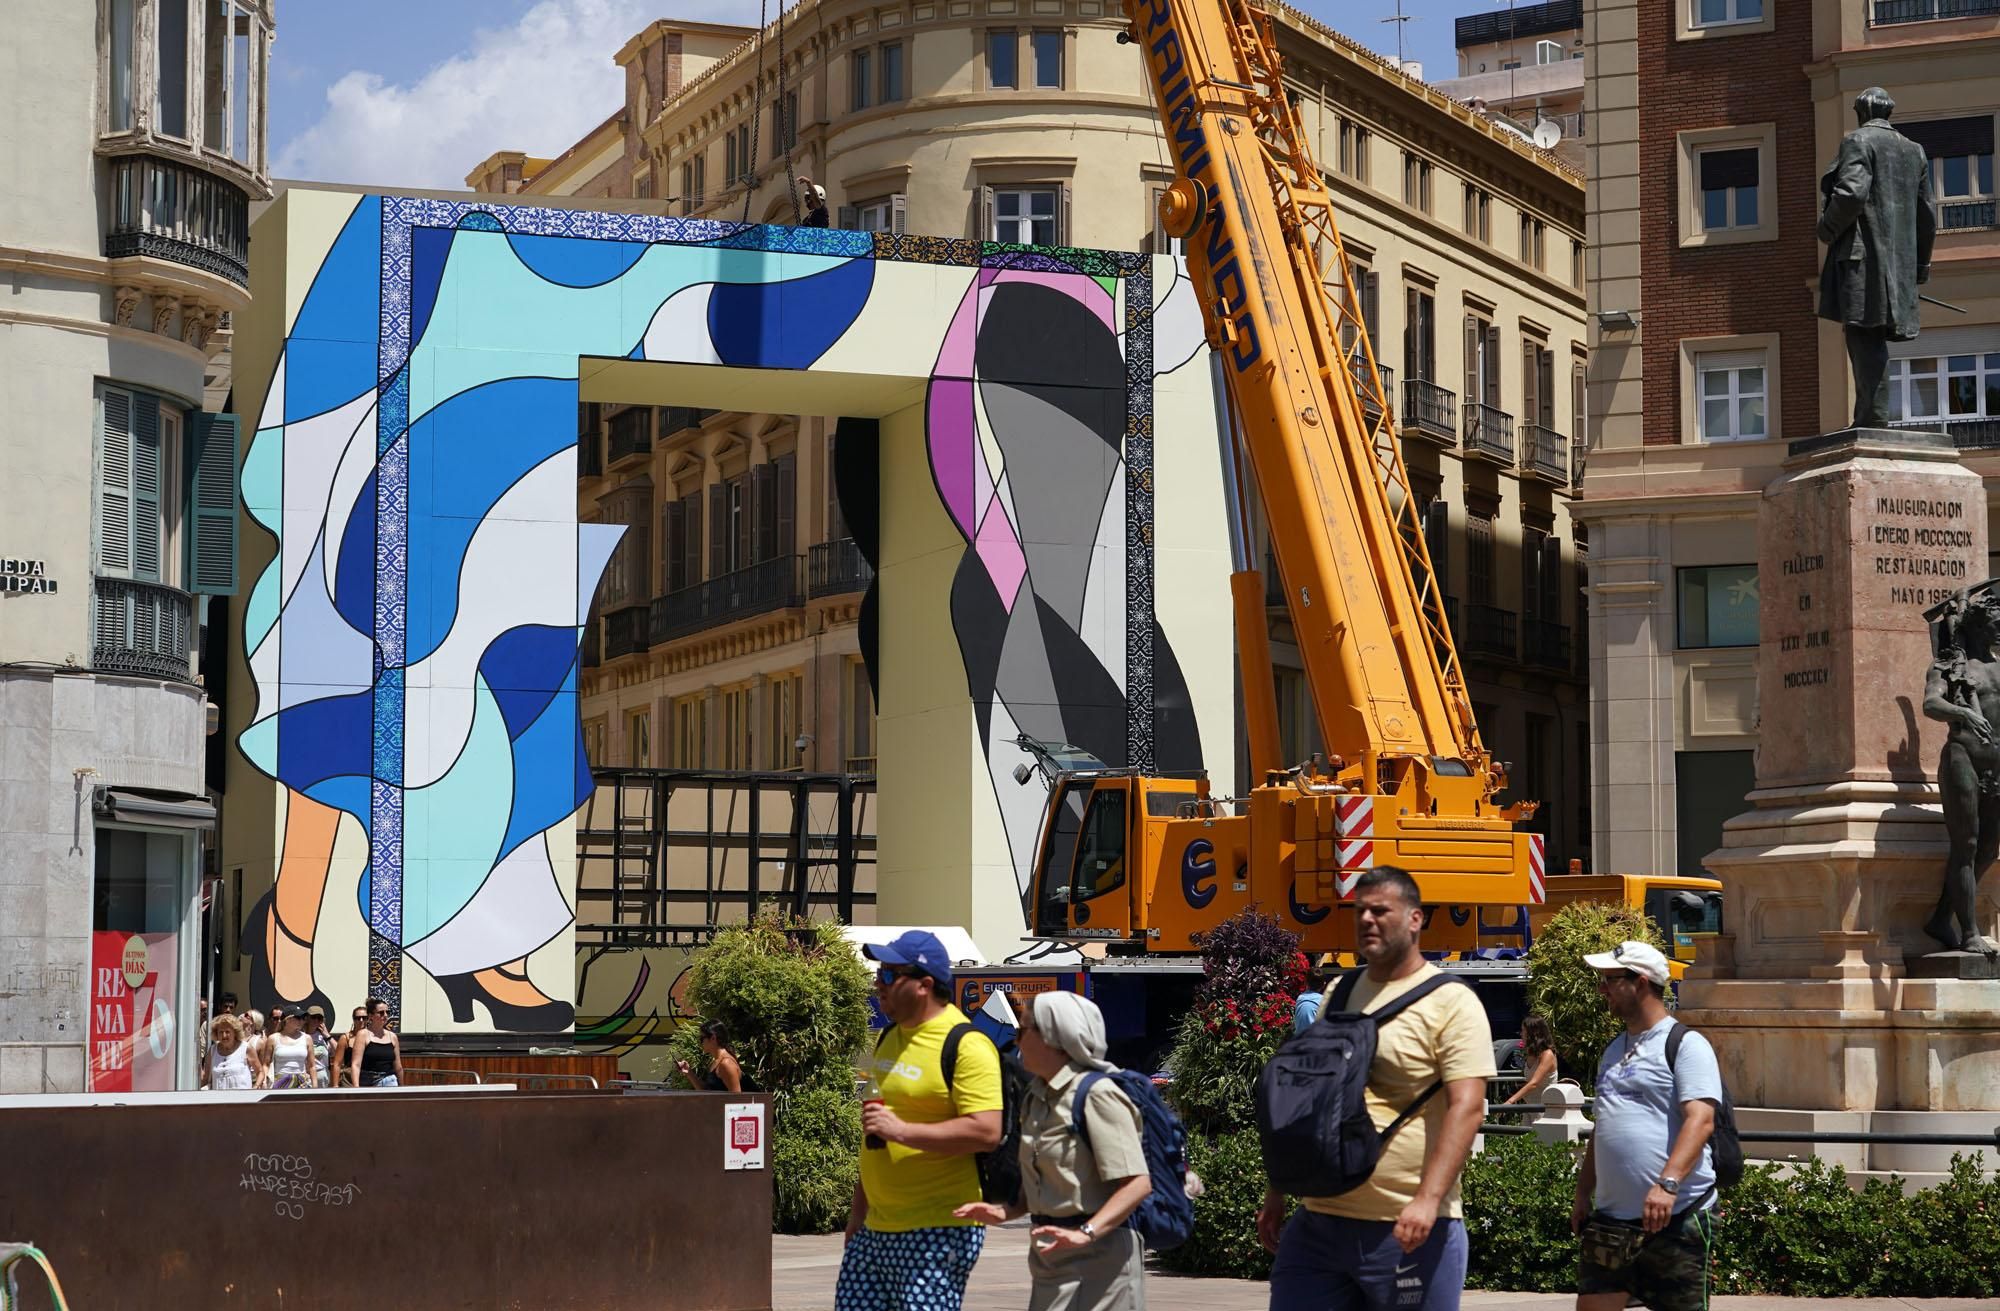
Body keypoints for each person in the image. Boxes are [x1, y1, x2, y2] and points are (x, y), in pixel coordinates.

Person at [1258, 866, 1494, 1311]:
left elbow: (1468, 1108)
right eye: (1360, 911)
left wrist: (1426, 1201)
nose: (1367, 920)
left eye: (1381, 911)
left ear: (1415, 919)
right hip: (1319, 1223)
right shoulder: (1339, 991)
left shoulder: (1451, 1002)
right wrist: (1278, 1189)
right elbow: (1305, 1097)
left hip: (1408, 1228)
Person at [954, 992, 1151, 1311]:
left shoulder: (1098, 1095)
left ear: (1055, 1038)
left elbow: (1137, 1184)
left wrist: (1086, 1233)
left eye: (1023, 1030)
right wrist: (1007, 1211)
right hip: (1049, 1253)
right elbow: (1047, 1176)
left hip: (1103, 1258)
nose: (1016, 1039)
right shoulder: (1036, 1095)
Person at [838, 930, 1003, 1311]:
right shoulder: (889, 1037)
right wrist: (858, 1214)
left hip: (936, 1230)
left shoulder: (966, 1045)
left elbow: (986, 1130)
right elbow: (876, 1131)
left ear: (924, 985)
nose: (879, 983)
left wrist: (903, 1131)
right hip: (876, 1229)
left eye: (890, 975)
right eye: (879, 973)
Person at [1571, 941, 1720, 1311]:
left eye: (1609, 980)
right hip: (1610, 1221)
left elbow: (1701, 1120)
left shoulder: (1686, 1045)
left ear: (1639, 982)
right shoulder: (1613, 1049)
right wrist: (1582, 1191)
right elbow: (1604, 1125)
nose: (1601, 989)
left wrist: (1667, 1184)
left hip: (1677, 1215)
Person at [1817, 86, 1936, 429]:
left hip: (1863, 260)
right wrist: (1920, 268)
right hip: (1897, 265)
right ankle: (1870, 416)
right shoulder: (1915, 151)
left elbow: (1852, 193)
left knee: (1863, 334)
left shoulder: (1858, 141)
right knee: (1870, 337)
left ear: (1861, 113)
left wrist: (1826, 228)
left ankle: (1872, 419)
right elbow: (1927, 216)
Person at [1500, 1015, 1560, 1109]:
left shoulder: (1547, 1054)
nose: (1521, 1034)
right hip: (1530, 1106)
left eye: (1523, 1031)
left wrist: (1510, 1101)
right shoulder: (1532, 1054)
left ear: (1532, 1033)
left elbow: (1534, 1083)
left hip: (1544, 1108)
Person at [676, 1020, 753, 1093]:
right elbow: (706, 1092)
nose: (700, 1042)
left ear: (713, 1038)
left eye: (702, 1038)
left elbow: (737, 1099)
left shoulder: (726, 1063)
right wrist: (689, 1072)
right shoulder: (716, 1062)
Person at [350, 997, 404, 1088]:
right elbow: (356, 1064)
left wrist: (402, 1088)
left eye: (388, 1012)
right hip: (368, 1082)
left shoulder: (393, 1037)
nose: (385, 1015)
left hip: (389, 1081)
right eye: (381, 1013)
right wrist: (356, 1087)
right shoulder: (363, 1035)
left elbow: (398, 1067)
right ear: (371, 1016)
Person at [266, 1007, 318, 1089]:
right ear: (287, 1019)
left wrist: (315, 1086)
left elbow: (312, 1065)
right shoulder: (273, 1038)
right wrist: (264, 1081)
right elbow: (266, 1064)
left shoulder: (307, 1038)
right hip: (280, 1082)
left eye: (303, 1018)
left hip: (302, 1082)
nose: (302, 1021)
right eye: (298, 1018)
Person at [203, 1015, 255, 1091]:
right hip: (219, 1099)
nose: (224, 1035)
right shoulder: (212, 1050)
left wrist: (256, 1087)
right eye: (221, 1032)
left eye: (227, 1032)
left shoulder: (245, 1048)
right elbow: (205, 1077)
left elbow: (260, 1071)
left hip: (242, 1099)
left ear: (235, 1032)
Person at [1293, 957, 1333, 1034]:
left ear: (1306, 983)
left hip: (1299, 1039)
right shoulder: (1324, 1001)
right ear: (1324, 984)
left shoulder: (1300, 998)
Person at [331, 1005, 368, 1087]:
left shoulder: (372, 1037)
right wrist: (335, 1085)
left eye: (364, 1018)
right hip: (349, 1078)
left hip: (368, 1077)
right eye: (357, 1018)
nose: (361, 1020)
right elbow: (337, 1063)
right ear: (353, 1020)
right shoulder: (345, 1038)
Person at [303, 1006, 335, 1088]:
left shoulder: (324, 1036)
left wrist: (327, 1035)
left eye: (319, 1018)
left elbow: (339, 1051)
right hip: (305, 1076)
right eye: (313, 1017)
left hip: (322, 1077)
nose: (316, 1020)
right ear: (307, 1018)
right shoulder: (300, 1035)